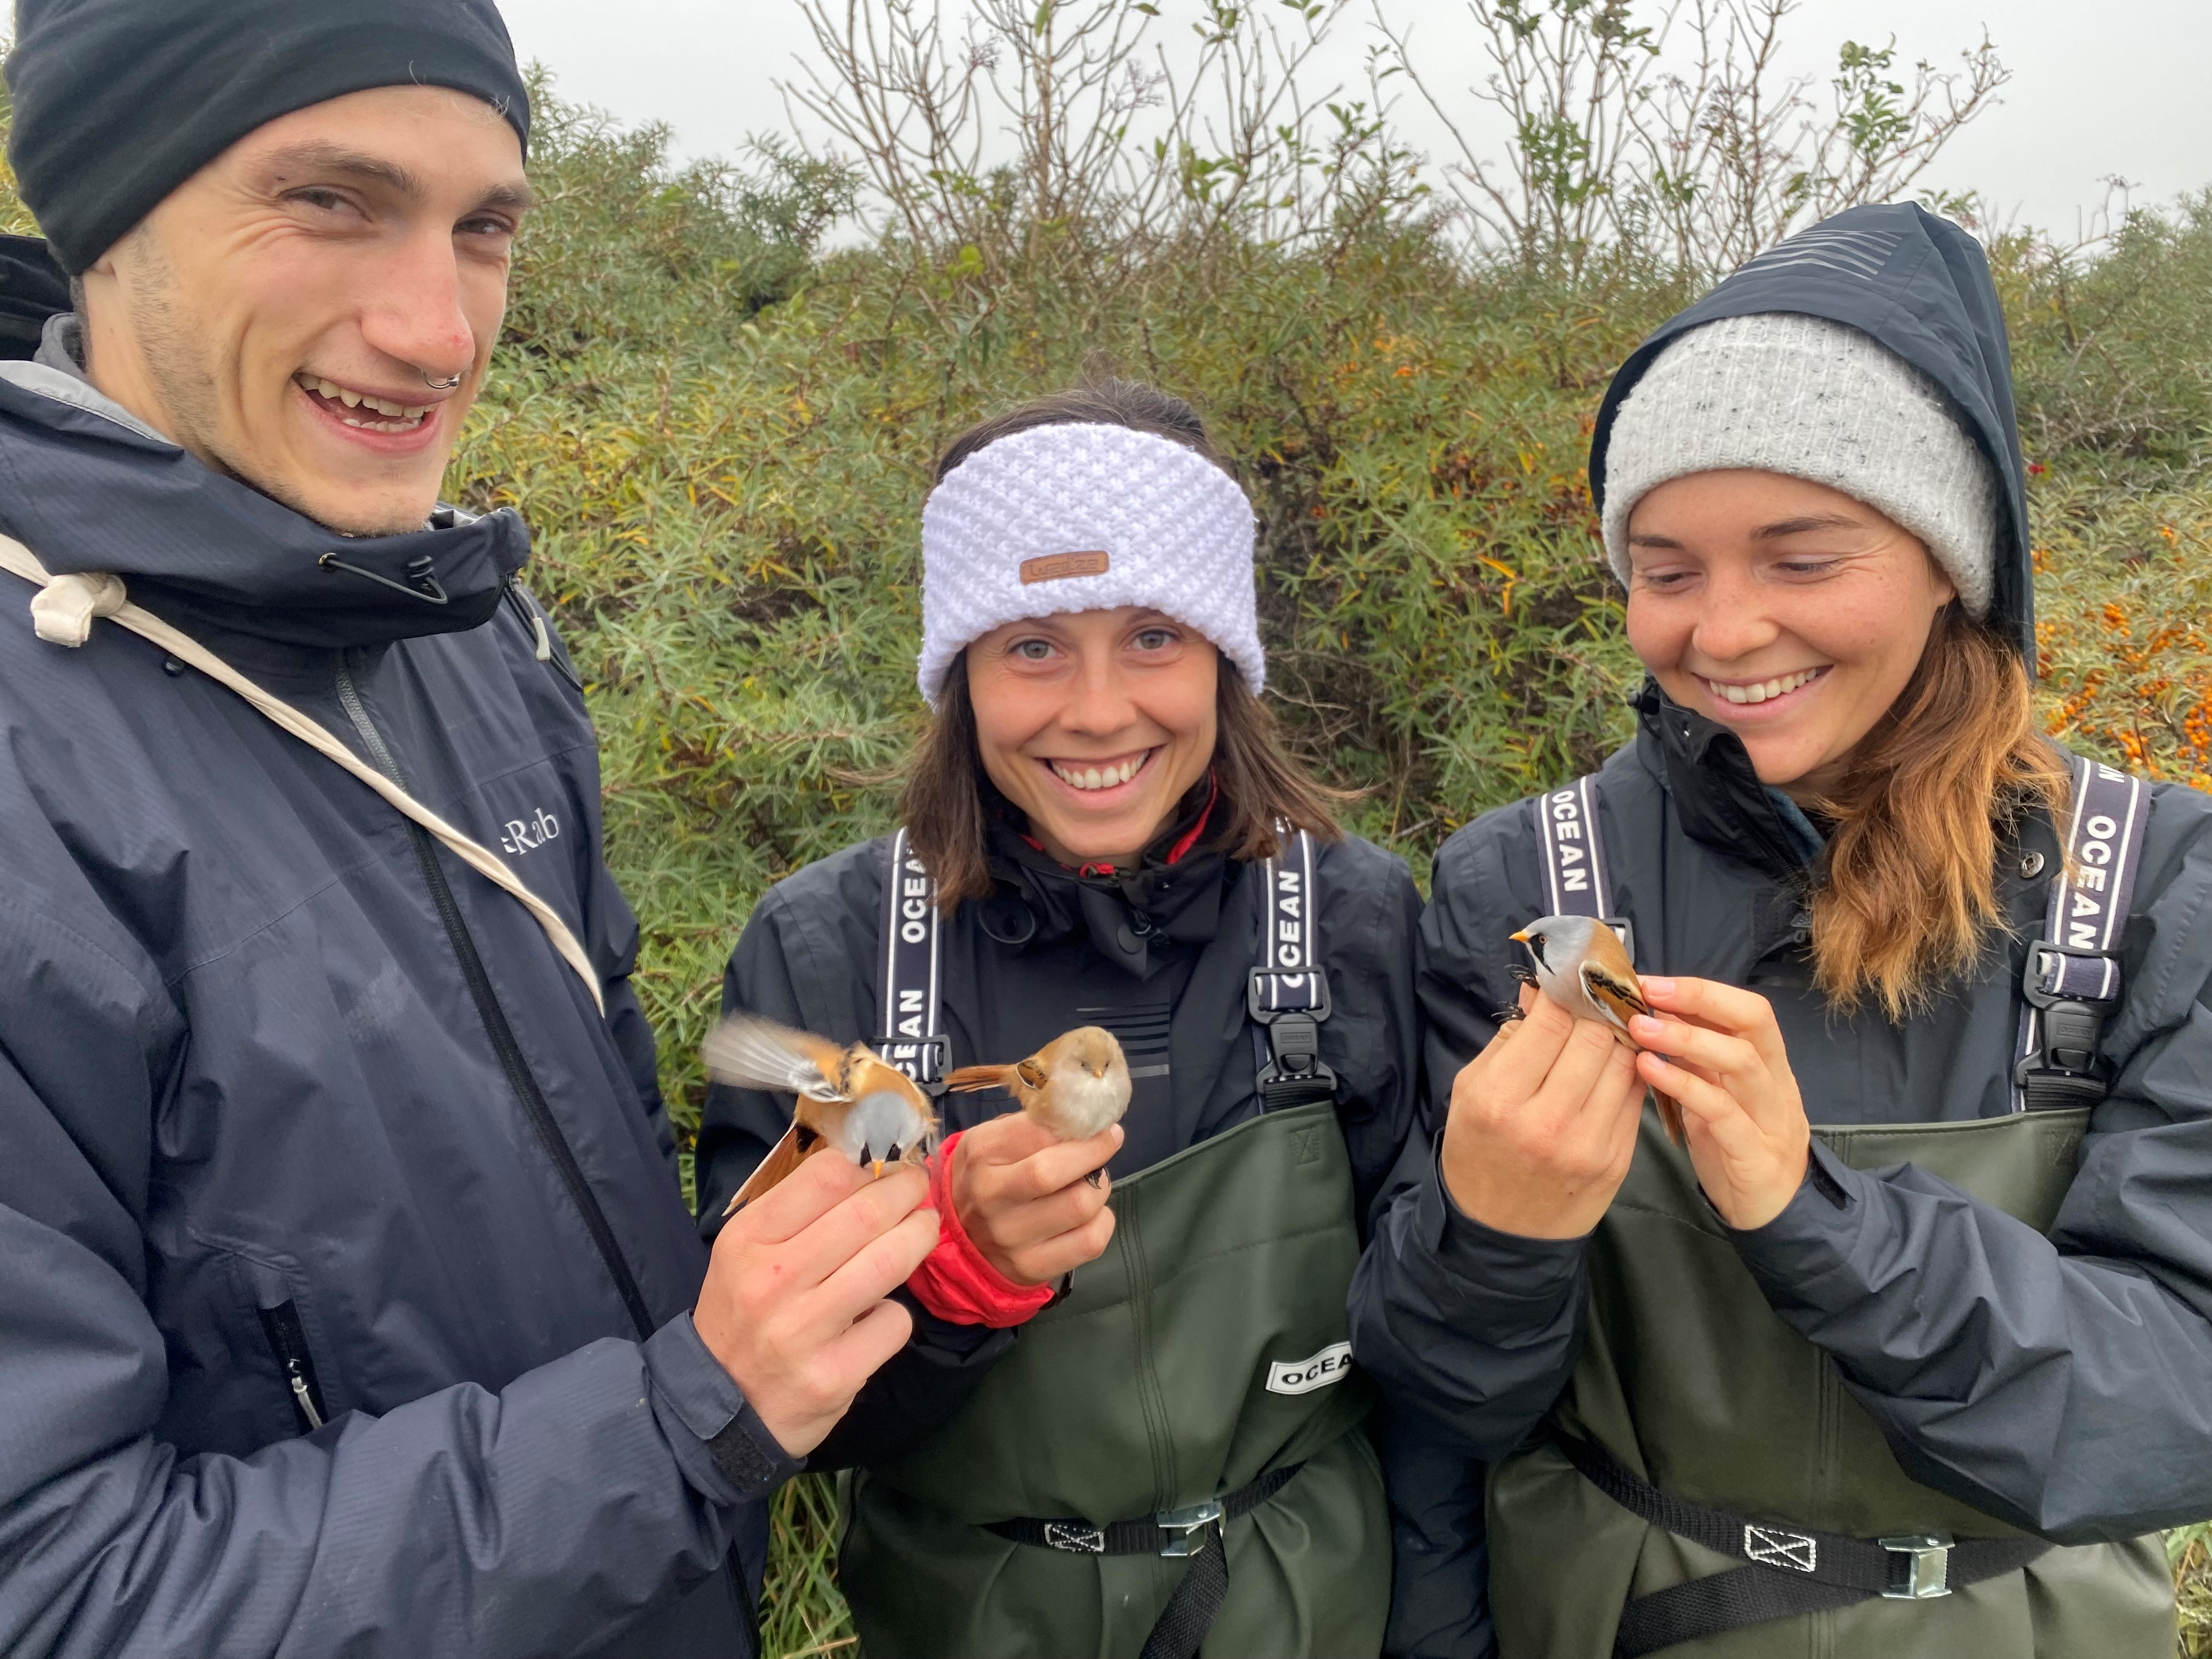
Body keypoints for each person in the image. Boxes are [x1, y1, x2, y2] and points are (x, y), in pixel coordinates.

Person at [0, 4, 940, 1656]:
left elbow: (585, 1222)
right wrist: (679, 1421)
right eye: (331, 201)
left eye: (485, 224)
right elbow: (66, 1595)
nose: (439, 330)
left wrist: (851, 1255)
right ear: (106, 207)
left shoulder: (473, 639)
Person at [1351, 202, 2212, 1658]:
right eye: (1666, 569)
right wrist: (1490, 1234)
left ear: (1953, 559)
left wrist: (1815, 1216)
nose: (1726, 630)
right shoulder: (1525, 886)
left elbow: (2169, 1415)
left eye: (1802, 559)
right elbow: (1446, 1419)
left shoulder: (2153, 885)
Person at [696, 379, 1425, 1658]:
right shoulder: (834, 960)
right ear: (961, 675)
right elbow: (770, 1419)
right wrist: (957, 1280)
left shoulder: (1355, 922)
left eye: (1155, 636)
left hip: (1311, 1610)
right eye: (1032, 643)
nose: (1097, 712)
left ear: (1226, 659)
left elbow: (1433, 1370)